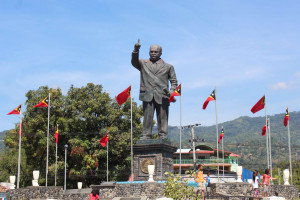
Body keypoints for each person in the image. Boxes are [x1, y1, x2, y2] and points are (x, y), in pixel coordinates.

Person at [131, 41, 178, 140]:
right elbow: (134, 62)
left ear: (160, 53)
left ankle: (163, 135)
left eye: (155, 52)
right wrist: (136, 50)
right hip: (147, 94)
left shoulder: (168, 67)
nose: (153, 53)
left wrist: (171, 91)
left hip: (163, 95)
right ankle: (146, 135)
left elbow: (174, 82)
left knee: (162, 117)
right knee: (147, 116)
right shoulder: (143, 63)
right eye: (151, 52)